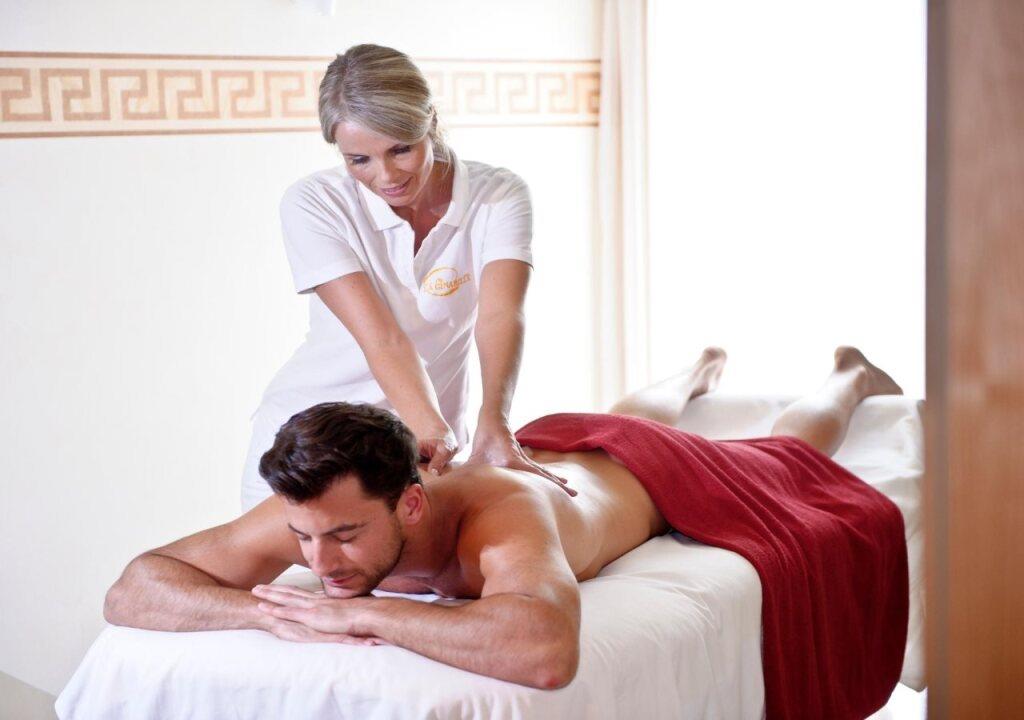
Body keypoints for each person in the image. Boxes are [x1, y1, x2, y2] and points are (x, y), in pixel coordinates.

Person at [105, 347, 908, 717]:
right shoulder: (319, 509)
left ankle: (847, 376)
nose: (318, 561)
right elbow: (133, 587)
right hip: (559, 444)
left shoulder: (501, 520)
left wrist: (363, 614)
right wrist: (260, 610)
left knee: (786, 451)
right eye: (303, 539)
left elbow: (546, 651)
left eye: (344, 537)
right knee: (619, 416)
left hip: (655, 478)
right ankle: (698, 368)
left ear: (410, 505)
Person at [240, 43, 563, 511]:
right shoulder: (315, 203)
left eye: (401, 149)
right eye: (359, 160)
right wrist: (428, 426)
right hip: (311, 448)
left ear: (430, 121)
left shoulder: (497, 195)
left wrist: (495, 421)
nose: (386, 175)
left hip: (424, 451)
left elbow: (500, 314)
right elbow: (383, 338)